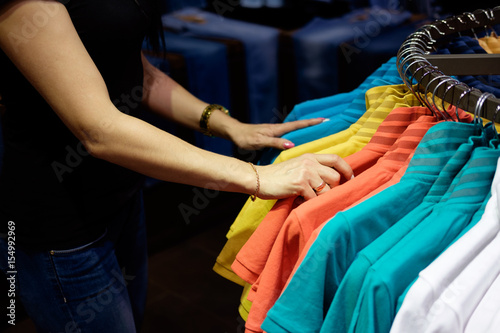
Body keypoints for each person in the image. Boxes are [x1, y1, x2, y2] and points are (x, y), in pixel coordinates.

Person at [0, 1, 353, 332]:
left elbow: (135, 71)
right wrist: (257, 176)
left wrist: (228, 125)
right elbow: (99, 129)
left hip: (121, 196)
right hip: (57, 223)